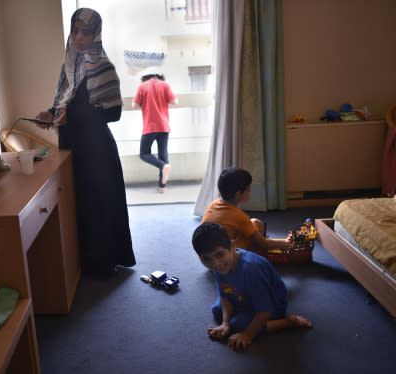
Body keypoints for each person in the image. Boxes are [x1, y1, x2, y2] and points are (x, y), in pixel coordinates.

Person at [35, 8, 135, 276]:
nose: (79, 37)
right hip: (72, 147)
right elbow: (66, 105)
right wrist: (51, 113)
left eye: (86, 32)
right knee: (79, 205)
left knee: (97, 206)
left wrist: (71, 117)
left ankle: (102, 265)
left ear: (96, 35)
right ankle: (85, 263)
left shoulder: (102, 66)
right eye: (75, 30)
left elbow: (113, 113)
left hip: (96, 151)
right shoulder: (69, 66)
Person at [191, 222, 313, 352]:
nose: (216, 263)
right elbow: (225, 295)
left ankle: (288, 322)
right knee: (217, 309)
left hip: (272, 306)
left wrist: (247, 334)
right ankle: (239, 317)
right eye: (206, 259)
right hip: (244, 296)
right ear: (200, 258)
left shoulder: (251, 269)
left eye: (219, 254)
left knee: (237, 324)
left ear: (232, 246)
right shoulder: (219, 266)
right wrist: (225, 323)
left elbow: (265, 310)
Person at [201, 167, 291, 257]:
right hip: (225, 260)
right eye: (248, 189)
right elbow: (263, 243)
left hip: (208, 259)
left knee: (253, 224)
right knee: (256, 225)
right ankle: (257, 257)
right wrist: (284, 243)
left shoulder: (213, 204)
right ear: (238, 194)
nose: (250, 192)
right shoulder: (239, 216)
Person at [132, 74, 177, 193]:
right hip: (164, 125)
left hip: (150, 126)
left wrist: (146, 103)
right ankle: (162, 187)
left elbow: (134, 105)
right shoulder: (165, 85)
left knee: (144, 153)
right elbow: (174, 101)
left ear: (146, 78)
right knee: (163, 155)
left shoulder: (142, 86)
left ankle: (163, 166)